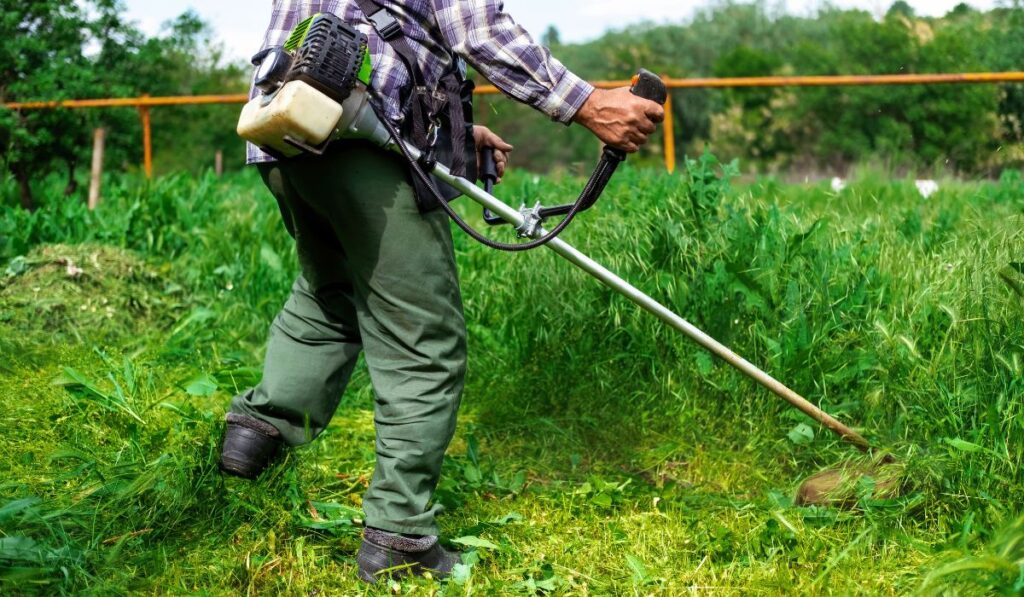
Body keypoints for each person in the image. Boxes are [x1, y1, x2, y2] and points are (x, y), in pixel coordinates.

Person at [218, 0, 665, 584]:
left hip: (286, 126)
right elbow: (476, 27)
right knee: (423, 341)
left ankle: (253, 436)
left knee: (332, 295)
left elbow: (385, 31)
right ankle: (399, 536)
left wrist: (449, 126)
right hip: (355, 137)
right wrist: (589, 103)